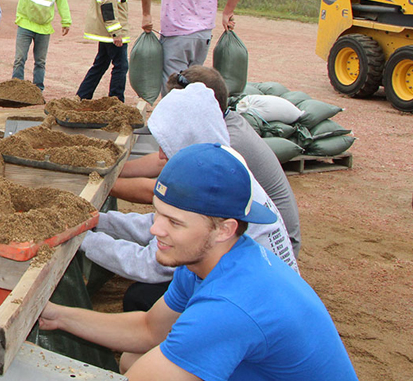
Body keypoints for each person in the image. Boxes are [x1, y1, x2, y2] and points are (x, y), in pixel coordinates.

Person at [41, 143, 358, 380]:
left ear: (224, 229)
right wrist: (57, 316)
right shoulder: (212, 260)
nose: (155, 229)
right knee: (132, 357)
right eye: (158, 214)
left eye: (174, 223)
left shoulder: (229, 305)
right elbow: (149, 328)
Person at [80, 82, 297, 313]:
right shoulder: (221, 158)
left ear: (189, 136)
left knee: (142, 298)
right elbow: (158, 225)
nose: (161, 155)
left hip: (255, 301)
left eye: (166, 145)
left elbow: (150, 264)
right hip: (257, 280)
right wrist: (98, 221)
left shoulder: (208, 182)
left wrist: (82, 239)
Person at [112, 66, 302, 256]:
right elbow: (163, 161)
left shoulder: (225, 147)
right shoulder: (220, 126)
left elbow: (164, 192)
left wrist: (106, 185)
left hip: (263, 245)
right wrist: (114, 170)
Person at [9, 0, 71, 90]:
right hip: (25, 23)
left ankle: (38, 90)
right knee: (20, 59)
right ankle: (16, 90)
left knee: (40, 62)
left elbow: (62, 0)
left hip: (44, 27)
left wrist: (66, 20)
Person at [77, 0, 132, 102]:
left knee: (101, 64)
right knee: (120, 66)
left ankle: (82, 96)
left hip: (107, 30)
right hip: (111, 31)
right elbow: (108, 5)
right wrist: (115, 32)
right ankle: (116, 102)